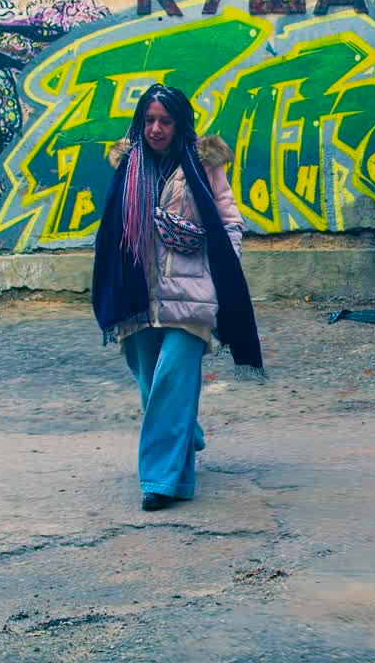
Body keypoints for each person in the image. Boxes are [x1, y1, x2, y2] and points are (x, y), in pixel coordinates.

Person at [92, 84, 264, 512]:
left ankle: (161, 481)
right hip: (140, 294)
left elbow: (229, 221)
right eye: (149, 120)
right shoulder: (129, 164)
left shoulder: (204, 165)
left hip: (193, 295)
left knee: (171, 378)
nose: (155, 129)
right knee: (150, 381)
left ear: (180, 123)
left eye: (164, 121)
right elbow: (111, 230)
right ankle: (185, 428)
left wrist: (220, 265)